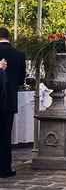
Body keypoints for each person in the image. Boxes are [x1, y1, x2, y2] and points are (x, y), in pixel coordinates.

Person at [0, 28, 26, 178]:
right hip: (9, 100)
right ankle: (4, 168)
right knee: (5, 134)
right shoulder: (19, 55)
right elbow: (22, 80)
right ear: (9, 37)